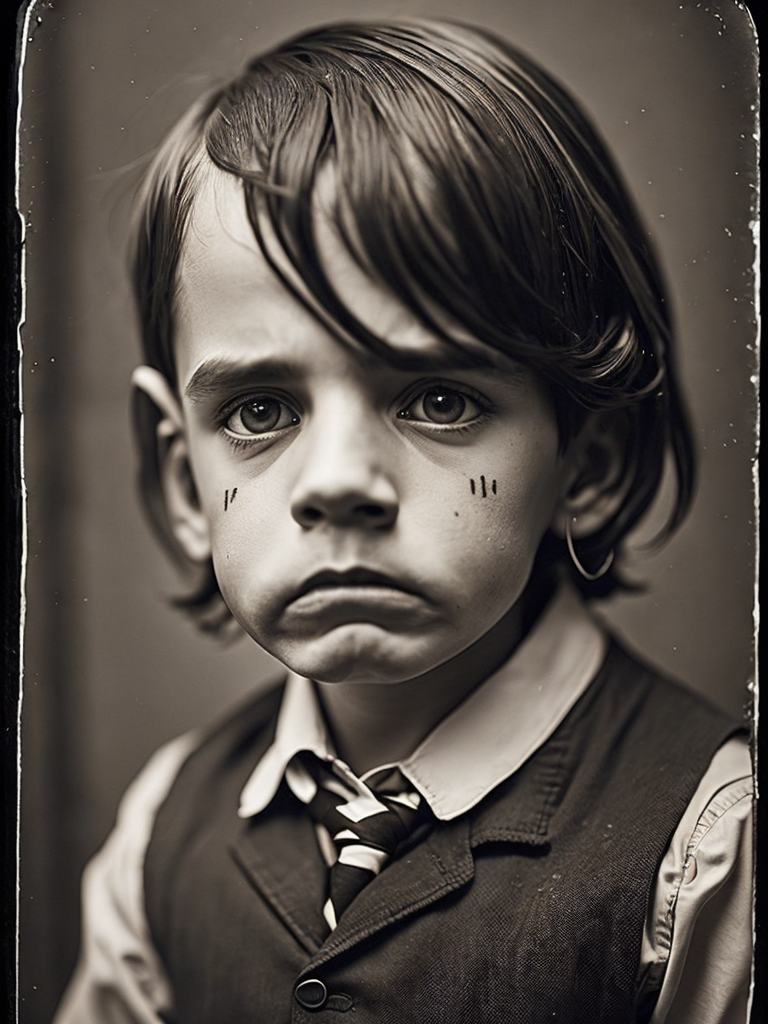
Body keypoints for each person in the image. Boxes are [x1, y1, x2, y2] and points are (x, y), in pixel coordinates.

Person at [53, 19, 752, 1024]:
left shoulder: (713, 846)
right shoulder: (162, 831)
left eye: (437, 398)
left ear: (588, 462)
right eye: (260, 410)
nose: (338, 481)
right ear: (181, 479)